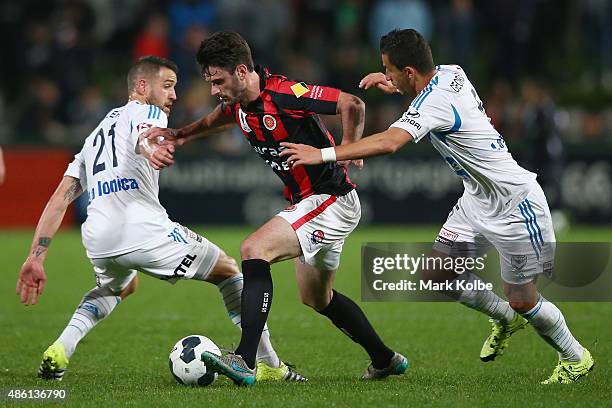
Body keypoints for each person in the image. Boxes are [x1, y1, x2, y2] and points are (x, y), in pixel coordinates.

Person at [280, 28, 594, 385]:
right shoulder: (452, 71)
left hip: (514, 203)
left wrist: (322, 153)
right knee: (438, 276)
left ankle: (575, 356)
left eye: (390, 69)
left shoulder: (435, 101)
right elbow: (422, 94)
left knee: (523, 299)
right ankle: (504, 318)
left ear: (410, 72)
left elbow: (390, 142)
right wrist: (394, 82)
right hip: (477, 198)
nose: (387, 75)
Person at [15, 56, 305, 383]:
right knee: (227, 270)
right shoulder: (148, 111)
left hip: (97, 237)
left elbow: (59, 199)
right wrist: (151, 148)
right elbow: (145, 136)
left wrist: (35, 257)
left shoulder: (95, 135)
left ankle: (61, 347)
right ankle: (269, 364)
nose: (174, 95)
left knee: (119, 286)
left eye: (175, 87)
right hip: (141, 229)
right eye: (167, 86)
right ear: (142, 86)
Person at [145, 31, 407, 386]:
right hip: (312, 203)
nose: (213, 90)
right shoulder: (239, 102)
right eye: (210, 82)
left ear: (241, 71)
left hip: (331, 198)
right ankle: (385, 359)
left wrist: (349, 148)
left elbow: (353, 104)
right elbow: (221, 116)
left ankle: (245, 360)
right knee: (317, 297)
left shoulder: (284, 94)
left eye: (218, 80)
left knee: (254, 249)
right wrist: (182, 134)